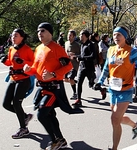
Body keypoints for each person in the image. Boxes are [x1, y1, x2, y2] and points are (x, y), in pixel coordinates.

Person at [24, 22, 83, 150]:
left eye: (43, 31)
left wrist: (54, 74)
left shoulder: (57, 48)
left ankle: (55, 140)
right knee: (50, 114)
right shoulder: (39, 48)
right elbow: (36, 67)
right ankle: (60, 139)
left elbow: (68, 66)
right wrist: (28, 69)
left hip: (53, 88)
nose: (40, 33)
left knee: (41, 114)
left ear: (50, 33)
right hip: (42, 88)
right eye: (38, 31)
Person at [94, 26, 137, 150]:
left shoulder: (131, 51)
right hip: (113, 89)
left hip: (126, 89)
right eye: (114, 34)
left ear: (124, 37)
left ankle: (114, 148)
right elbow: (106, 68)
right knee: (118, 118)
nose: (116, 37)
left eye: (119, 35)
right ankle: (135, 125)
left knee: (114, 119)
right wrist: (100, 82)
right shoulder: (111, 50)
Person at [1, 28, 35, 139]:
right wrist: (4, 61)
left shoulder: (27, 49)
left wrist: (24, 62)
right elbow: (11, 62)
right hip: (13, 78)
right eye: (12, 36)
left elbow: (34, 64)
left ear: (22, 37)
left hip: (24, 80)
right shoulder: (11, 49)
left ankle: (23, 129)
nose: (13, 38)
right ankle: (25, 116)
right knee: (6, 104)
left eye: (16, 36)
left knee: (16, 103)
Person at [72, 30, 96, 107]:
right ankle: (78, 99)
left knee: (92, 85)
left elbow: (93, 56)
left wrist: (81, 58)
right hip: (82, 68)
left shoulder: (90, 45)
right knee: (79, 83)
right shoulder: (82, 44)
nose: (79, 36)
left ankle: (102, 89)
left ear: (85, 36)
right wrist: (76, 56)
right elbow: (82, 55)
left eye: (80, 35)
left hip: (89, 68)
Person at [64, 30, 81, 100]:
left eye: (70, 35)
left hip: (74, 65)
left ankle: (75, 93)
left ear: (74, 37)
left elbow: (81, 54)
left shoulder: (77, 45)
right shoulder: (66, 43)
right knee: (64, 79)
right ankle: (74, 82)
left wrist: (74, 55)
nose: (69, 37)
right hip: (67, 64)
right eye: (68, 35)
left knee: (71, 78)